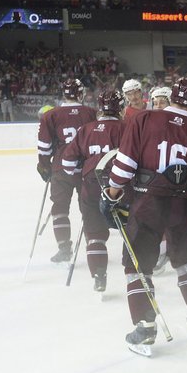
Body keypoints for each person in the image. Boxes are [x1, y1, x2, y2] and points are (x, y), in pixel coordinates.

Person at [101, 78, 187, 356]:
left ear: (170, 99)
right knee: (186, 259)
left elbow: (125, 164)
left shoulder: (144, 119)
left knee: (137, 264)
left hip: (147, 201)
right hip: (183, 204)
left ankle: (144, 328)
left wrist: (112, 193)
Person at [60, 88, 127, 293]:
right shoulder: (129, 128)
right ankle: (135, 271)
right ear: (121, 108)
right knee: (130, 229)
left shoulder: (87, 129)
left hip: (91, 187)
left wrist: (82, 173)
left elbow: (67, 162)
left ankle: (98, 274)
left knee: (95, 233)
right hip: (122, 188)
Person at [37, 79, 96, 263]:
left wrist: (44, 165)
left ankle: (64, 248)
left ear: (64, 93)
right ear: (80, 93)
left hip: (61, 169)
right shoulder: (92, 113)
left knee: (60, 208)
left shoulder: (51, 115)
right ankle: (94, 246)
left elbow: (44, 146)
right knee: (88, 207)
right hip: (86, 168)